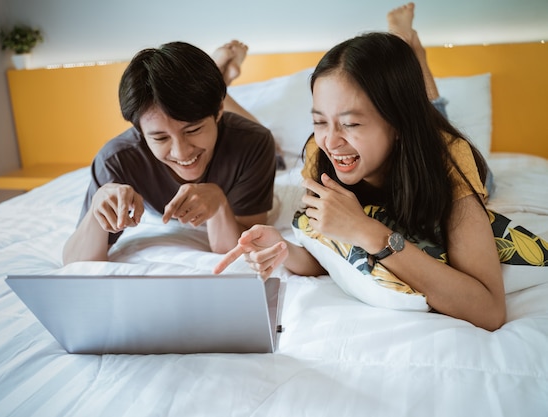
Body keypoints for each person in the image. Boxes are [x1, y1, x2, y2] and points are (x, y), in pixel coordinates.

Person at [214, 5, 505, 331]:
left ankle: (411, 48)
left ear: (397, 123)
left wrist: (368, 232)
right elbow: (330, 253)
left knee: (435, 115)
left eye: (351, 123)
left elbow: (489, 310)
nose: (331, 141)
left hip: (431, 151)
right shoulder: (319, 151)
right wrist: (285, 251)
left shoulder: (451, 160)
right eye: (319, 121)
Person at [62, 40, 276, 264]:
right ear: (140, 131)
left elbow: (243, 248)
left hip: (240, 132)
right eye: (160, 137)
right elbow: (75, 263)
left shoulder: (254, 143)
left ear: (218, 111)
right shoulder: (117, 159)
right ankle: (220, 77)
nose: (181, 152)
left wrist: (220, 204)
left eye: (193, 130)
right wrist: (97, 209)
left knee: (275, 143)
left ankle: (222, 80)